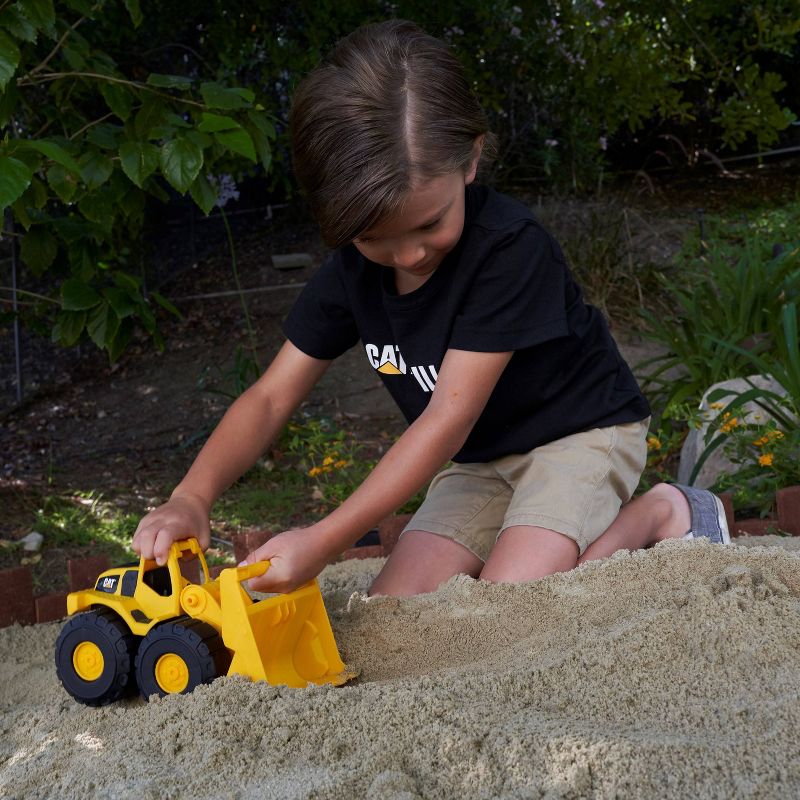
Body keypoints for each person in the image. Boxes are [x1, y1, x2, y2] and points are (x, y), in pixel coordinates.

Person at [132, 20, 729, 597]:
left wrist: (323, 540)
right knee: (398, 605)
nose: (409, 254)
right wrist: (192, 495)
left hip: (578, 436)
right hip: (479, 462)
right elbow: (269, 397)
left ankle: (660, 512)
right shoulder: (352, 272)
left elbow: (446, 417)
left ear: (471, 160)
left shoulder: (509, 250)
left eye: (429, 223)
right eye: (374, 237)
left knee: (516, 602)